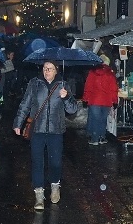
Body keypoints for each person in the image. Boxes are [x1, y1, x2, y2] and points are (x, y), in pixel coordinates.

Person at [13, 60, 79, 211]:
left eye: (50, 69)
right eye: (44, 68)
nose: (46, 71)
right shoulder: (35, 83)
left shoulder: (63, 85)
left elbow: (72, 109)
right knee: (37, 162)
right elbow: (25, 103)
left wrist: (67, 97)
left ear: (56, 70)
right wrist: (18, 123)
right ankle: (39, 195)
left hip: (56, 130)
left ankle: (55, 185)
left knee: (55, 162)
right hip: (37, 129)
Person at [82, 57, 119, 145]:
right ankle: (102, 138)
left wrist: (85, 98)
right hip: (106, 101)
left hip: (94, 100)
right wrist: (115, 101)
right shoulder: (110, 73)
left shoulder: (92, 72)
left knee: (95, 119)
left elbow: (88, 86)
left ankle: (94, 139)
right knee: (103, 119)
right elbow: (114, 89)